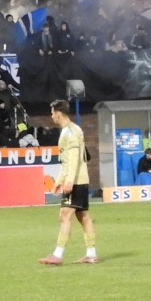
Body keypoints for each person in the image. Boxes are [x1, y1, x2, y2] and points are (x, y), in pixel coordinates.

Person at [40, 99, 96, 265]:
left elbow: (73, 158)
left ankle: (57, 255)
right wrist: (59, 180)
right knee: (83, 216)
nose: (51, 117)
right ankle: (91, 253)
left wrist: (69, 180)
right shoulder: (69, 130)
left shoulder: (71, 132)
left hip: (77, 180)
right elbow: (66, 160)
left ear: (58, 112)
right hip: (80, 178)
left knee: (65, 214)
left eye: (52, 113)